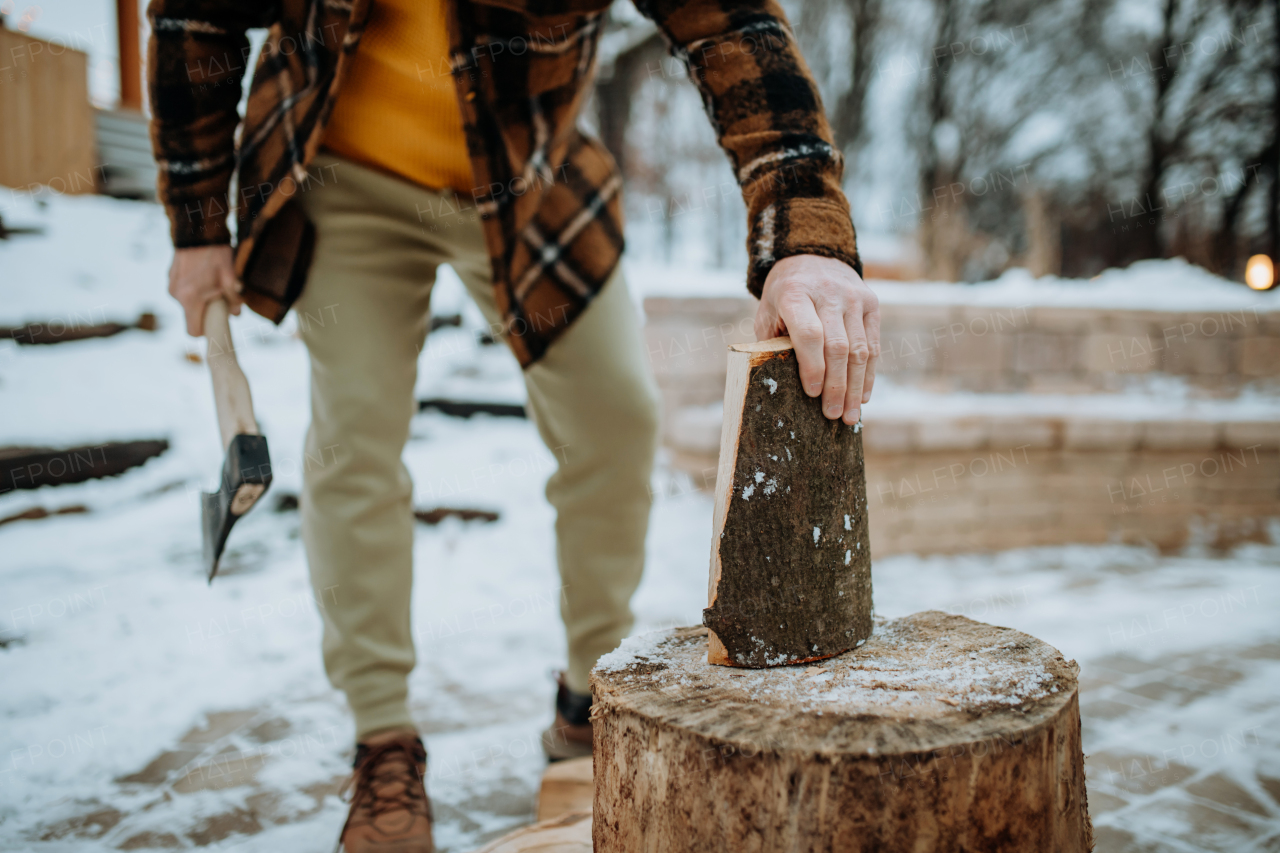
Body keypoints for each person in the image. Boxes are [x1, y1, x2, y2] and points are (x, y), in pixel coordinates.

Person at [147, 0, 880, 849]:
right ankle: (383, 741)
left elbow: (729, 24)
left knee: (615, 422)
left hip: (528, 175)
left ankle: (587, 702)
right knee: (354, 444)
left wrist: (806, 231)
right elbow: (196, 17)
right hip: (346, 171)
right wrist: (197, 221)